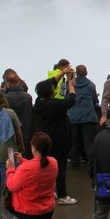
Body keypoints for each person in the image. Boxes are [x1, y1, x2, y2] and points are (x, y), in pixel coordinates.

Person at [33, 77, 77, 205]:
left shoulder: (39, 103)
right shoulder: (54, 104)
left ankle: (47, 191)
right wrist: (71, 86)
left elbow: (47, 85)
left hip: (46, 138)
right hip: (59, 140)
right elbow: (71, 100)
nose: (54, 88)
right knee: (60, 167)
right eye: (52, 88)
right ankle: (62, 195)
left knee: (46, 165)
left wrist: (63, 72)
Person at [5, 132, 58, 219]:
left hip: (26, 212)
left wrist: (10, 169)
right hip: (46, 210)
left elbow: (11, 185)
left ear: (33, 148)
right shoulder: (53, 163)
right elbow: (37, 168)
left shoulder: (26, 169)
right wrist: (23, 161)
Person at [69, 64, 101, 167]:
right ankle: (91, 162)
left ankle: (74, 162)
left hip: (74, 116)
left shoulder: (71, 84)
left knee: (74, 141)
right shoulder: (91, 85)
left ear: (76, 73)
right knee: (89, 142)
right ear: (86, 72)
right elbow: (95, 100)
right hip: (88, 116)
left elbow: (68, 97)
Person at [3, 71, 33, 153]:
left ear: (7, 83)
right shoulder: (28, 97)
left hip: (10, 132)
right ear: (19, 81)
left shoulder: (5, 97)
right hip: (26, 129)